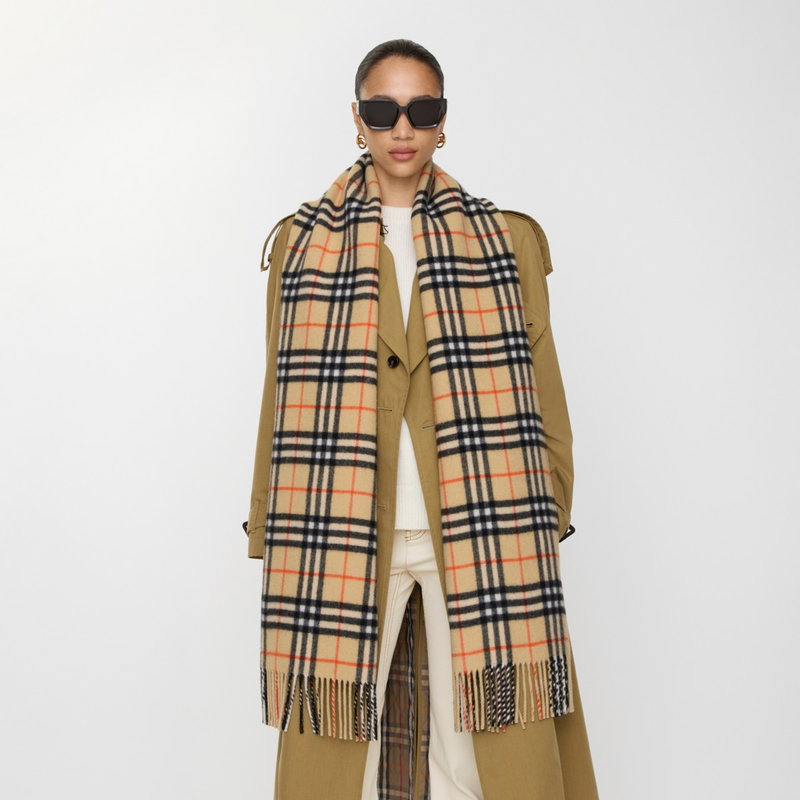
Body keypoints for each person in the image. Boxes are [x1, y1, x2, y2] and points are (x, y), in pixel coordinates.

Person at [244, 39, 599, 800]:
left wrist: (549, 508)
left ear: (442, 119)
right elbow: (281, 393)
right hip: (338, 531)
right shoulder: (301, 244)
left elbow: (543, 388)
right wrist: (268, 520)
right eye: (383, 110)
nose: (401, 128)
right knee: (340, 757)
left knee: (478, 759)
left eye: (421, 109)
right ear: (358, 119)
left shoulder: (504, 240)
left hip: (483, 525)